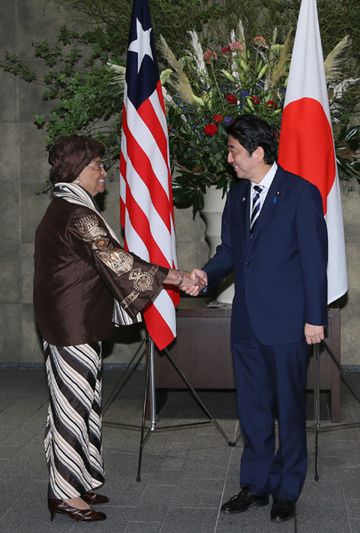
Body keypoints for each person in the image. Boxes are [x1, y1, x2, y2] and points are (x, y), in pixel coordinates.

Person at [33, 134, 204, 523]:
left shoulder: (68, 207)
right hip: (70, 324)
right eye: (97, 165)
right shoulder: (78, 215)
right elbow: (118, 262)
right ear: (78, 170)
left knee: (83, 399)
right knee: (71, 405)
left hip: (71, 320)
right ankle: (63, 493)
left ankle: (80, 480)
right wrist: (176, 277)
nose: (103, 172)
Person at [192, 114, 328, 522]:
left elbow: (313, 262)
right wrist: (206, 273)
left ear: (258, 152)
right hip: (246, 321)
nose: (229, 159)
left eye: (233, 151)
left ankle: (287, 489)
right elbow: (231, 252)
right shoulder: (236, 195)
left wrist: (314, 318)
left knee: (288, 409)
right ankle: (255, 485)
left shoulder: (301, 194)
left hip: (289, 324)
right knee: (251, 408)